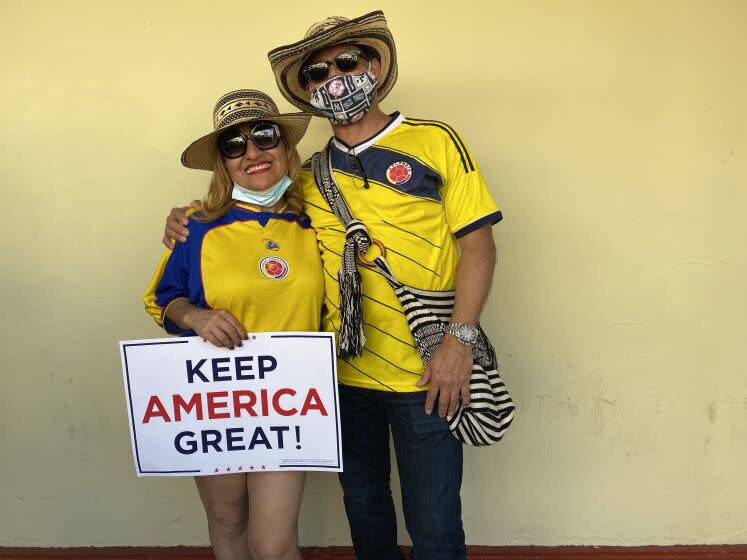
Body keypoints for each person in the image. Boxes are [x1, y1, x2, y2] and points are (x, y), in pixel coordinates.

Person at [164, 11, 503, 560]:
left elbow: (479, 244)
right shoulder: (306, 177)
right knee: (366, 515)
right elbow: (244, 206)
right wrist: (185, 218)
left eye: (346, 62)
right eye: (316, 72)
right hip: (336, 377)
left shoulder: (436, 140)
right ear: (307, 91)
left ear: (373, 65)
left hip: (428, 367)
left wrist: (459, 342)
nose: (334, 77)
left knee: (436, 522)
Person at [145, 89, 321, 560]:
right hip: (216, 400)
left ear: (285, 146)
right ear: (223, 164)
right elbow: (161, 299)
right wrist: (195, 316)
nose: (253, 153)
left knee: (272, 542)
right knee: (227, 521)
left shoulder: (319, 222)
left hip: (289, 402)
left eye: (264, 137)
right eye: (234, 145)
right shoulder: (197, 226)